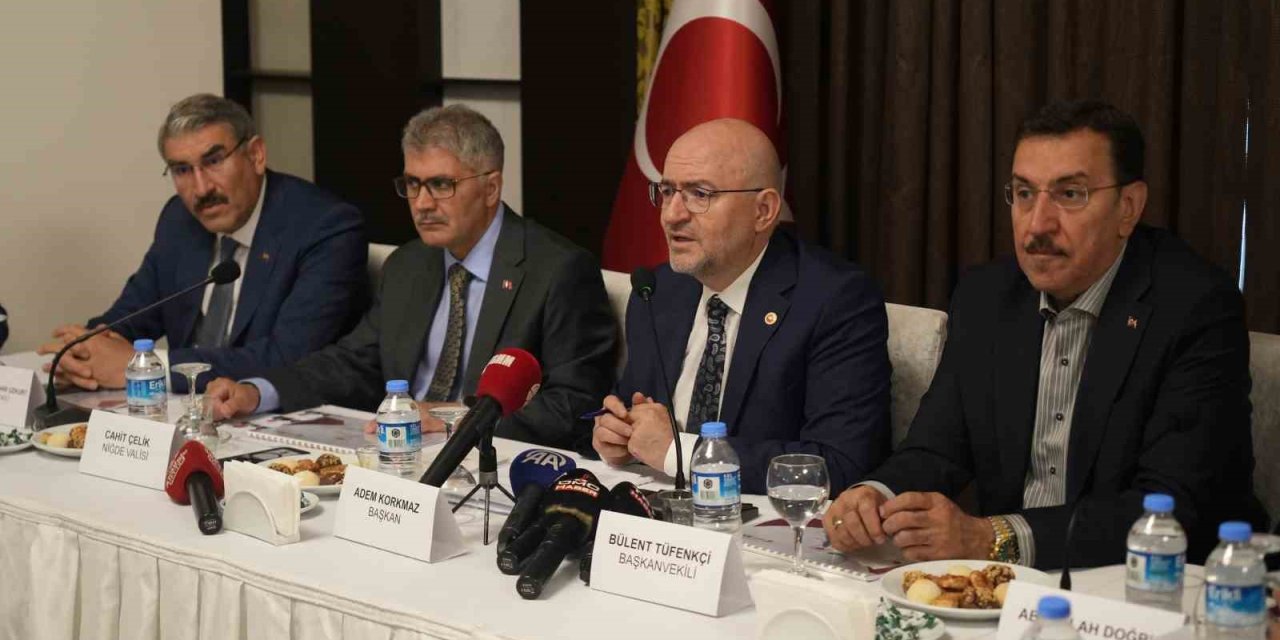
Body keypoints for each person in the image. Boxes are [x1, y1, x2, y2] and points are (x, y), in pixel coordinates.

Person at [822, 100, 1265, 569]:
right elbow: (938, 447)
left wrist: (990, 538)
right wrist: (876, 495)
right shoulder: (987, 297)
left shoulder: (1194, 308)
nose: (1037, 224)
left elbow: (1172, 506)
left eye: (1070, 194)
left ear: (1128, 208)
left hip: (1157, 586)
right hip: (1011, 584)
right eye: (1024, 193)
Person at [206, 105, 617, 448]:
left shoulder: (556, 270)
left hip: (491, 461)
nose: (422, 203)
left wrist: (453, 418)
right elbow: (353, 364)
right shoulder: (408, 264)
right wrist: (258, 392)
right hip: (398, 455)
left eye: (441, 185)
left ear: (491, 188)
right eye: (413, 184)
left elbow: (575, 404)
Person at [592, 118, 891, 494]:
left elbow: (839, 463)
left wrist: (679, 453)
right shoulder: (657, 290)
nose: (671, 214)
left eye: (699, 194)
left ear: (763, 210)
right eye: (667, 192)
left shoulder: (835, 301)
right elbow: (633, 411)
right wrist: (617, 433)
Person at [38, 94, 366, 392]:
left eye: (214, 161)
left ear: (256, 155)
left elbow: (288, 356)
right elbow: (132, 315)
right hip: (187, 414)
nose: (201, 188)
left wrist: (148, 368)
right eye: (182, 170)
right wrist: (84, 352)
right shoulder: (179, 220)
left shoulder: (325, 228)